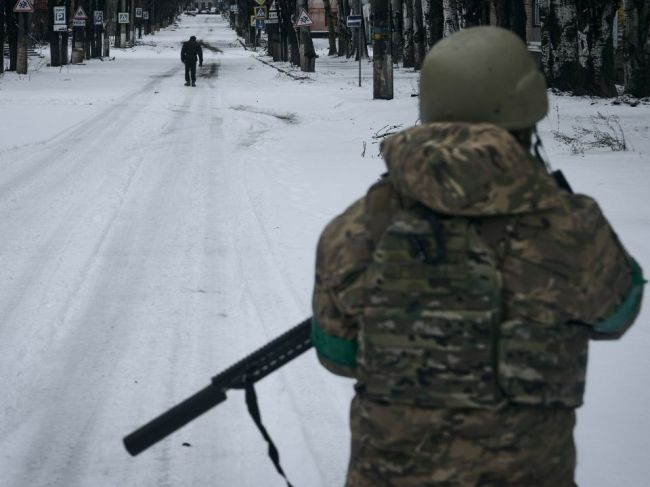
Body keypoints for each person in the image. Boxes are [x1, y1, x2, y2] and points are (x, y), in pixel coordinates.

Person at [311, 26, 644, 486]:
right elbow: (617, 314)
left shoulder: (355, 229)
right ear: (529, 113)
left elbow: (338, 354)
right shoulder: (574, 228)